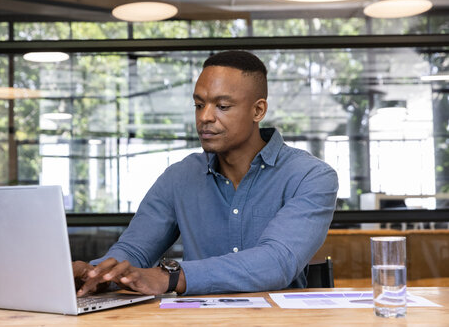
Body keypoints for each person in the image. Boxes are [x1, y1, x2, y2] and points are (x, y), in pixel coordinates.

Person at [73, 50, 339, 296]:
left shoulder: (311, 176)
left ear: (258, 110)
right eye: (199, 105)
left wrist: (172, 277)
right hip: (195, 326)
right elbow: (134, 250)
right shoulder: (179, 177)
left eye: (222, 106)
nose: (205, 118)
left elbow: (277, 261)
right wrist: (96, 274)